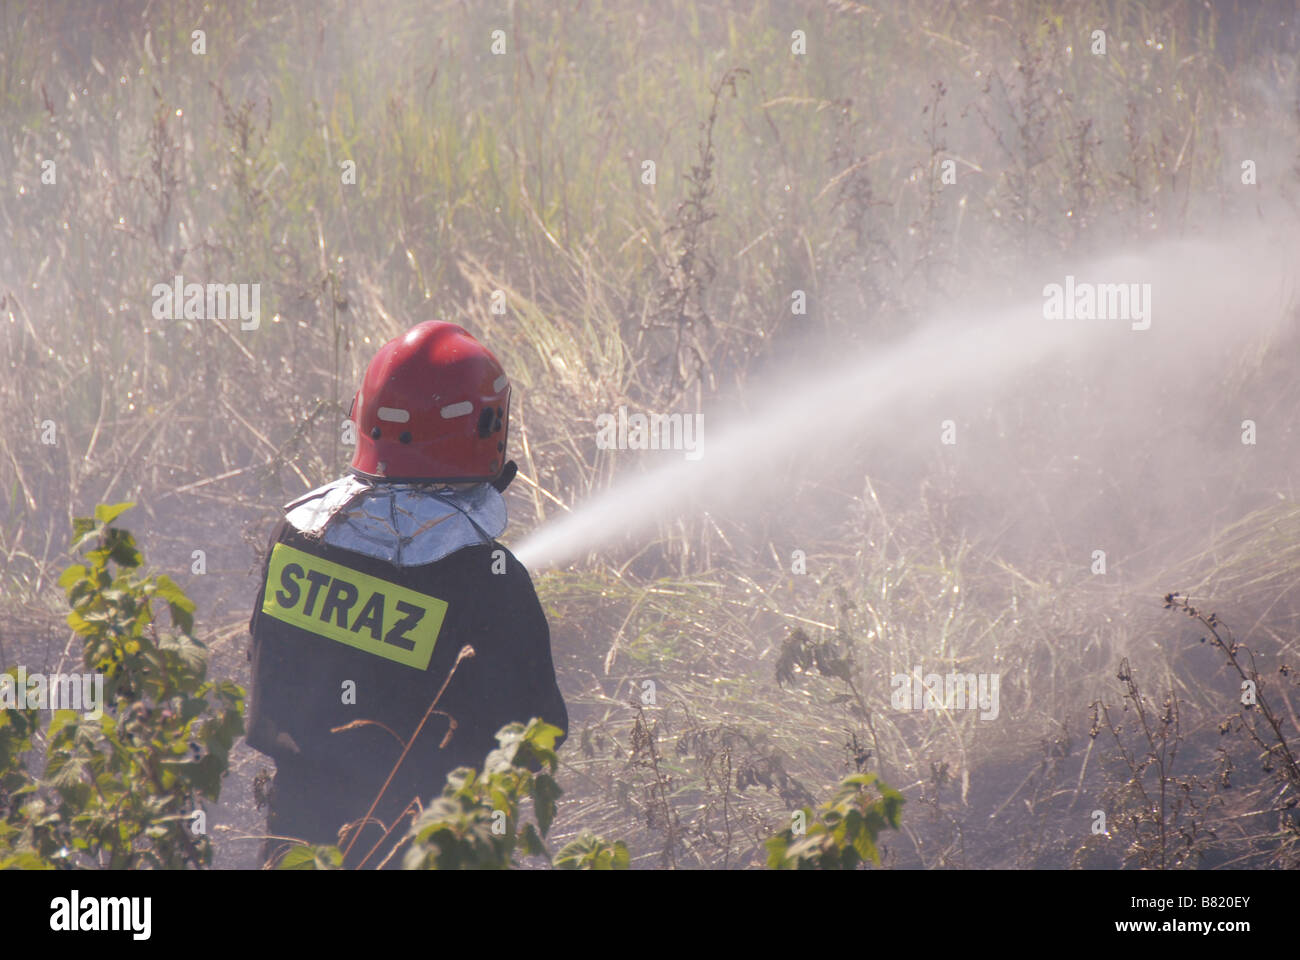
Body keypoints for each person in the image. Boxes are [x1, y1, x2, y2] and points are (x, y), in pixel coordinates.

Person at [245, 320, 567, 868]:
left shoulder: (298, 536)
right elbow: (532, 736)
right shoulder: (488, 576)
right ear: (487, 425)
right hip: (426, 849)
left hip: (299, 843)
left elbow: (268, 678)